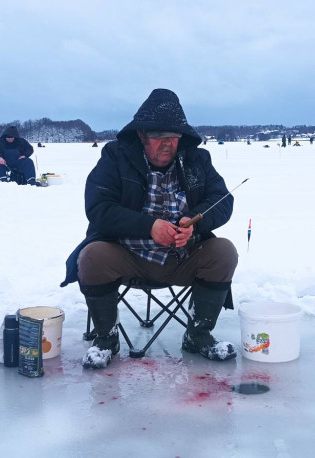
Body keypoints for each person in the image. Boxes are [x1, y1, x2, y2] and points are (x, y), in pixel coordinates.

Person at [60, 89, 239, 369]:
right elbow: (98, 208)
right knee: (92, 255)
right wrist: (149, 226)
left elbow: (222, 201)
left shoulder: (197, 160)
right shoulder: (115, 157)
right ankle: (106, 338)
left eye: (174, 137)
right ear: (142, 136)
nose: (167, 144)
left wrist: (194, 222)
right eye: (158, 137)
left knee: (224, 251)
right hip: (128, 258)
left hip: (184, 257)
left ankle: (198, 335)